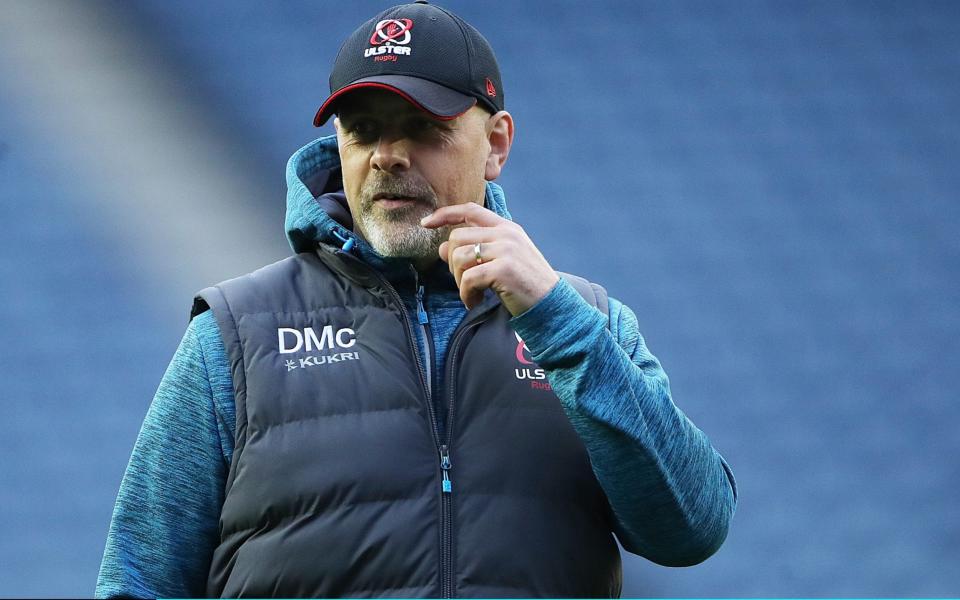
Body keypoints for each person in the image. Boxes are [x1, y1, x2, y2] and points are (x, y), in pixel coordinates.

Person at [96, 2, 737, 598]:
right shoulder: (234, 334)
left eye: (423, 130)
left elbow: (691, 528)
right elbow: (137, 577)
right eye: (364, 130)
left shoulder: (586, 322)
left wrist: (556, 320)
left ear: (496, 145)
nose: (388, 156)